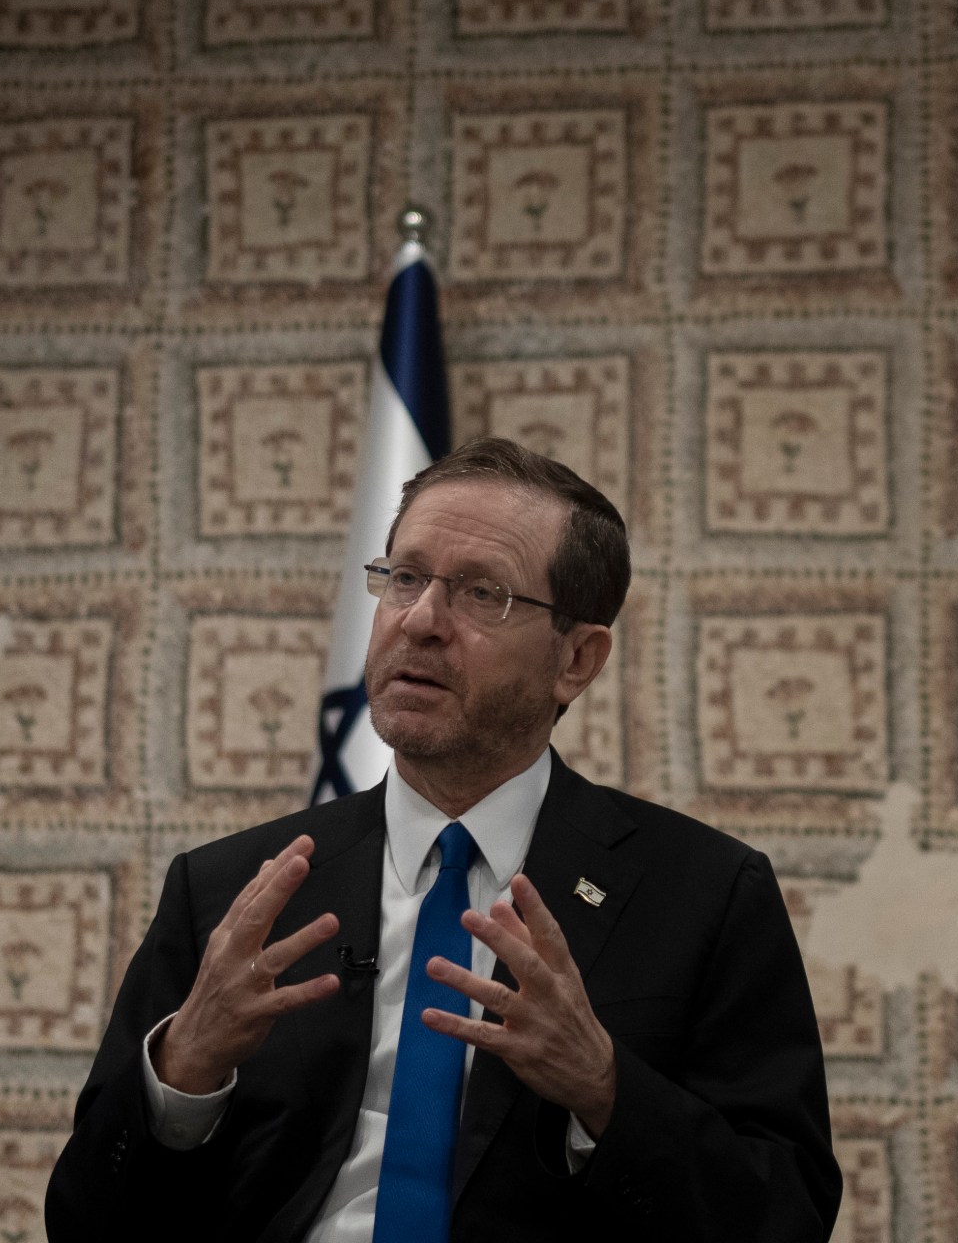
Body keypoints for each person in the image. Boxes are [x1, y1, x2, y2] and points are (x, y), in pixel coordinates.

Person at [45, 438, 839, 1241]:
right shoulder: (230, 891)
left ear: (577, 660)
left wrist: (603, 1089)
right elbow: (84, 1223)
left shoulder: (702, 892)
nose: (420, 620)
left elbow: (786, 1217)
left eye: (482, 593)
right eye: (404, 578)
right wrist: (181, 1077)